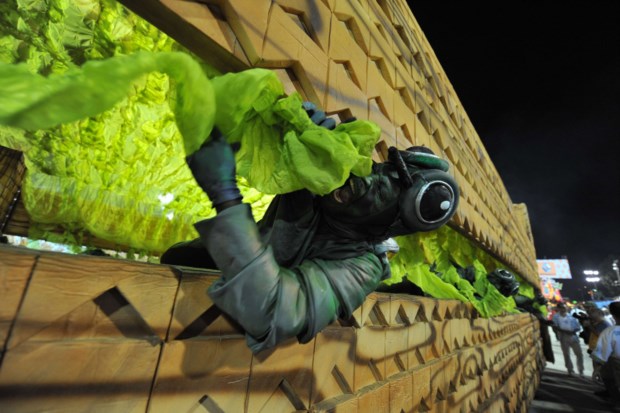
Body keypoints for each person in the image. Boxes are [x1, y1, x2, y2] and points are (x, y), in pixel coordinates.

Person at [161, 106, 460, 353]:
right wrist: (298, 128)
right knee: (178, 257)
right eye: (380, 172)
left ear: (388, 224)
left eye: (381, 194)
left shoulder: (361, 267)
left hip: (218, 341)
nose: (365, 182)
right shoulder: (329, 179)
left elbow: (273, 312)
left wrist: (225, 195)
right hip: (224, 265)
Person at [592, 301, 620, 400]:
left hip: (616, 364)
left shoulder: (609, 332)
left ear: (612, 314)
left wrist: (596, 370)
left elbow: (601, 354)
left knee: (610, 380)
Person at [552, 302, 585, 377]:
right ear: (558, 308)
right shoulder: (556, 317)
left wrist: (574, 331)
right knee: (566, 354)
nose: (563, 309)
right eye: (561, 308)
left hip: (573, 336)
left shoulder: (571, 316)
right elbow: (555, 327)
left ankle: (581, 370)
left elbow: (578, 327)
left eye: (564, 307)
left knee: (579, 354)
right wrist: (565, 332)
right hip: (563, 337)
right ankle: (570, 369)